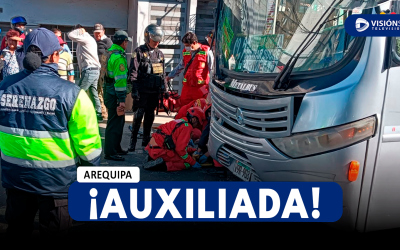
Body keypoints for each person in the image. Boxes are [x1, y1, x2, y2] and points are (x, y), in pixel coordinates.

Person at [0, 28, 102, 238]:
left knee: (17, 232)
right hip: (57, 185)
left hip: (16, 180)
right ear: (55, 56)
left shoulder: (4, 87)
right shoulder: (73, 94)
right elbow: (88, 147)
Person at [128, 24, 168, 152]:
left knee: (150, 116)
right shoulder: (139, 52)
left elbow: (162, 74)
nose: (156, 43)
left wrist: (165, 89)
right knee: (139, 115)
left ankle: (146, 140)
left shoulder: (160, 54)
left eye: (158, 41)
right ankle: (132, 141)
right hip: (142, 90)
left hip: (154, 91)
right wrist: (134, 89)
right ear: (147, 38)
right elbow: (133, 71)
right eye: (154, 40)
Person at [143, 107, 205, 171]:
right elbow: (180, 150)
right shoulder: (187, 128)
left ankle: (152, 158)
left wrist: (193, 150)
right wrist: (193, 162)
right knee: (186, 164)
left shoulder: (180, 121)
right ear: (194, 119)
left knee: (184, 156)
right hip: (160, 151)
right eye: (198, 122)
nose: (197, 125)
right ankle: (161, 166)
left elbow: (177, 145)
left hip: (153, 147)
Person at [103, 30, 131, 161]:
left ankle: (116, 147)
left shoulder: (111, 53)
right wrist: (121, 100)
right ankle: (110, 152)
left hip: (109, 92)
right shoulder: (118, 57)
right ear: (124, 42)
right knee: (114, 123)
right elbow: (120, 81)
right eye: (126, 42)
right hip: (114, 94)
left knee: (119, 121)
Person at [165, 32, 213, 106]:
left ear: (194, 42)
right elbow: (179, 67)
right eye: (185, 46)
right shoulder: (186, 52)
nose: (186, 48)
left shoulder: (206, 51)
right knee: (183, 107)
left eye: (187, 46)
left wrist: (211, 89)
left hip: (201, 88)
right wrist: (169, 77)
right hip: (187, 88)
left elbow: (212, 70)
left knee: (199, 110)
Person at [68, 24, 103, 121]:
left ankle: (73, 113)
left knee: (79, 91)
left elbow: (70, 35)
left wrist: (79, 31)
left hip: (90, 70)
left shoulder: (86, 38)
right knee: (93, 92)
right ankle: (98, 113)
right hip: (93, 70)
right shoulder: (84, 40)